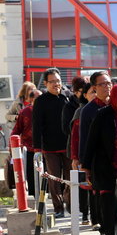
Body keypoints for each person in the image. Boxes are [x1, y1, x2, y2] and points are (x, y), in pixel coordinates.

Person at [83, 84, 117, 235]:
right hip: (105, 164)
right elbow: (91, 141)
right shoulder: (103, 115)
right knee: (107, 198)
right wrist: (86, 166)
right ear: (114, 99)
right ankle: (109, 231)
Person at [32, 68, 71, 219]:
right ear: (46, 83)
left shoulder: (68, 97)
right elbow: (37, 126)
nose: (56, 84)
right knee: (53, 178)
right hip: (50, 147)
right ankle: (58, 207)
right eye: (52, 82)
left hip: (67, 145)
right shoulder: (41, 101)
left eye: (58, 81)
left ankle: (69, 202)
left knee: (70, 177)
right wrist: (37, 148)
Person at [79, 71, 112, 235]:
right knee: (102, 195)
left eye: (108, 83)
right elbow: (83, 139)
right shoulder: (88, 110)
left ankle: (116, 228)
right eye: (103, 84)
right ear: (94, 87)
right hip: (98, 160)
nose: (107, 87)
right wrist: (84, 164)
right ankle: (105, 228)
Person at [69, 82, 97, 226]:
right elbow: (74, 137)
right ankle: (85, 214)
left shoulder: (105, 109)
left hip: (98, 155)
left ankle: (96, 218)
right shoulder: (81, 112)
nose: (96, 94)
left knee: (95, 187)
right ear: (85, 95)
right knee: (84, 186)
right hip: (82, 154)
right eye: (92, 92)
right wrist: (75, 157)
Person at [11, 89, 42, 196]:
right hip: (29, 149)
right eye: (38, 98)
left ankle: (47, 197)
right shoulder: (24, 112)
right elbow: (16, 130)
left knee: (46, 175)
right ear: (31, 99)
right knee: (31, 174)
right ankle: (33, 196)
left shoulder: (47, 110)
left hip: (46, 149)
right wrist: (13, 146)